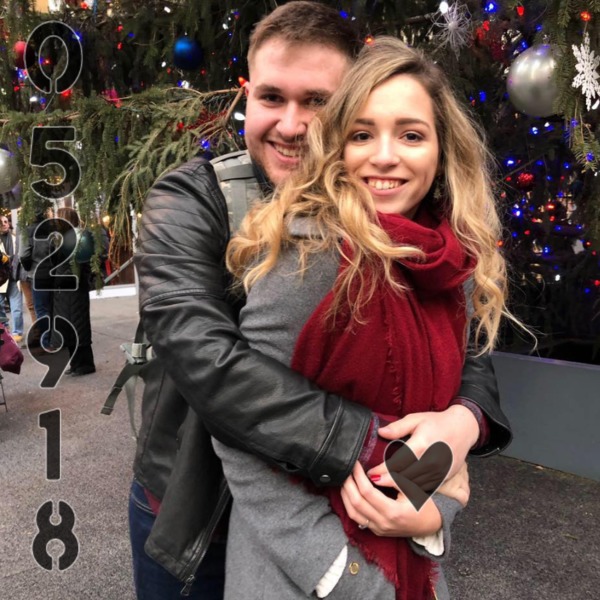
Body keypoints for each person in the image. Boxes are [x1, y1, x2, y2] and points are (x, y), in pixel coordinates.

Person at [131, 3, 511, 598]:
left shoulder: (403, 234)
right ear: (247, 96)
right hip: (197, 511)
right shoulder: (192, 200)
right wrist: (392, 450)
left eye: (316, 101)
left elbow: (461, 353)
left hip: (337, 515)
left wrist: (463, 425)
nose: (290, 124)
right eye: (271, 97)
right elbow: (205, 359)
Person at [51, 207, 96, 376]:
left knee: (77, 326)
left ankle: (84, 364)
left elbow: (79, 265)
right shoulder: (62, 239)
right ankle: (76, 363)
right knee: (70, 327)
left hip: (72, 289)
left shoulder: (77, 238)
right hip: (65, 291)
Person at [0, 215, 24, 344]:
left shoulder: (15, 238)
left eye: (6, 221)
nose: (5, 224)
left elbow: (20, 255)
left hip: (14, 277)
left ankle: (17, 332)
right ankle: (5, 330)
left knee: (16, 308)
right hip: (1, 279)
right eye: (1, 222)